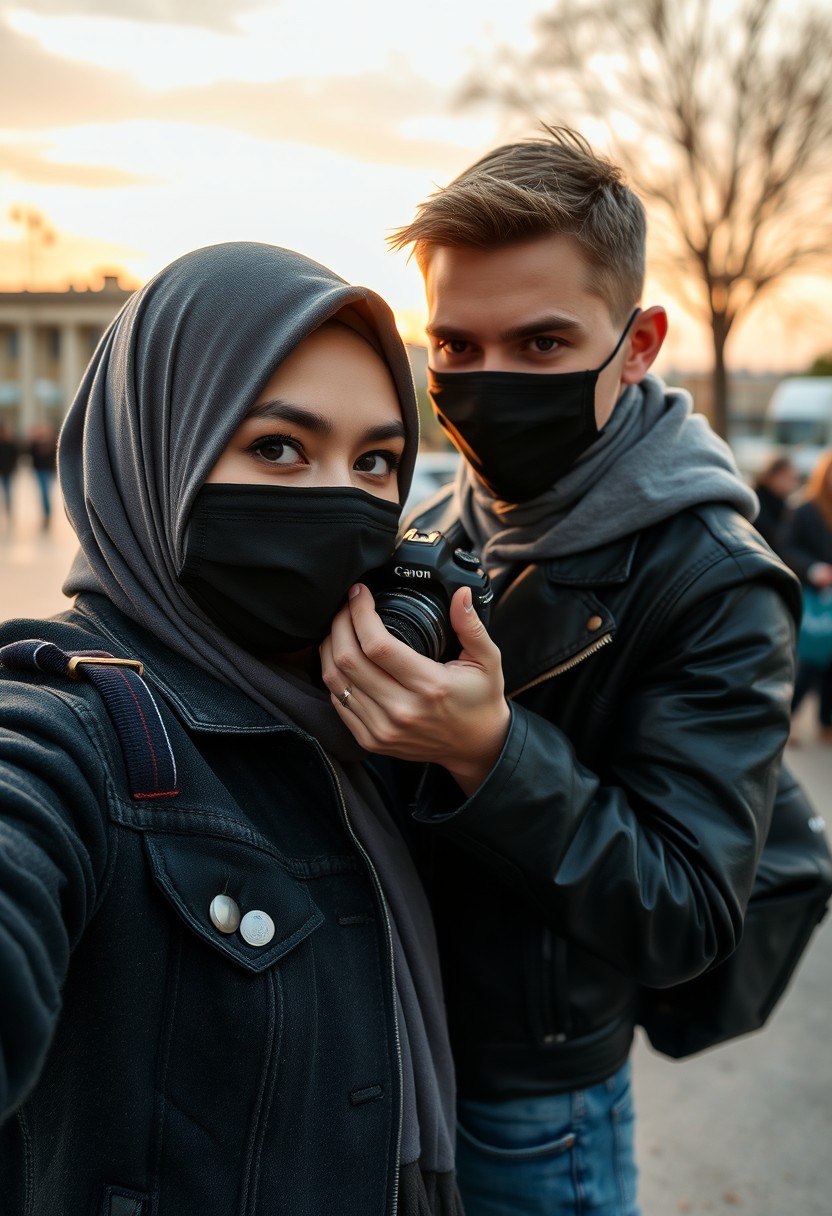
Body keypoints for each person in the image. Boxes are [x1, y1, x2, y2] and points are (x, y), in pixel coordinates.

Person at [318, 128, 802, 1216]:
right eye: (455, 347)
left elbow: (684, 912)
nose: (488, 387)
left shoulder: (714, 580)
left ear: (638, 346)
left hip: (531, 1107)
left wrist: (488, 753)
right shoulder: (443, 518)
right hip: (385, 1054)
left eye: (542, 346)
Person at [0, 243, 463, 1215]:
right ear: (155, 447)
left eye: (375, 459)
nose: (340, 495)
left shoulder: (387, 708)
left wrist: (496, 752)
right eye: (280, 447)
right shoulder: (70, 723)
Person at [782, 449, 832, 742]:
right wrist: (814, 569)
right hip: (814, 596)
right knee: (810, 662)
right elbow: (787, 547)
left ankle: (826, 723)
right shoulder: (804, 508)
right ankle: (788, 718)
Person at [752, 453, 798, 558]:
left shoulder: (781, 502)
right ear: (774, 475)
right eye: (788, 477)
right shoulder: (756, 502)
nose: (792, 483)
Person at [26, 421, 57, 529]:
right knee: (43, 493)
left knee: (46, 493)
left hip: (49, 470)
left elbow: (55, 457)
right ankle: (46, 514)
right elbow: (30, 455)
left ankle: (47, 514)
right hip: (39, 470)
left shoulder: (52, 443)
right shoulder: (34, 443)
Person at [0, 422, 18, 526]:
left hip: (7, 471)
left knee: (7, 492)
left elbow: (15, 456)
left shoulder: (10, 443)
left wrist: (13, 467)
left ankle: (8, 511)